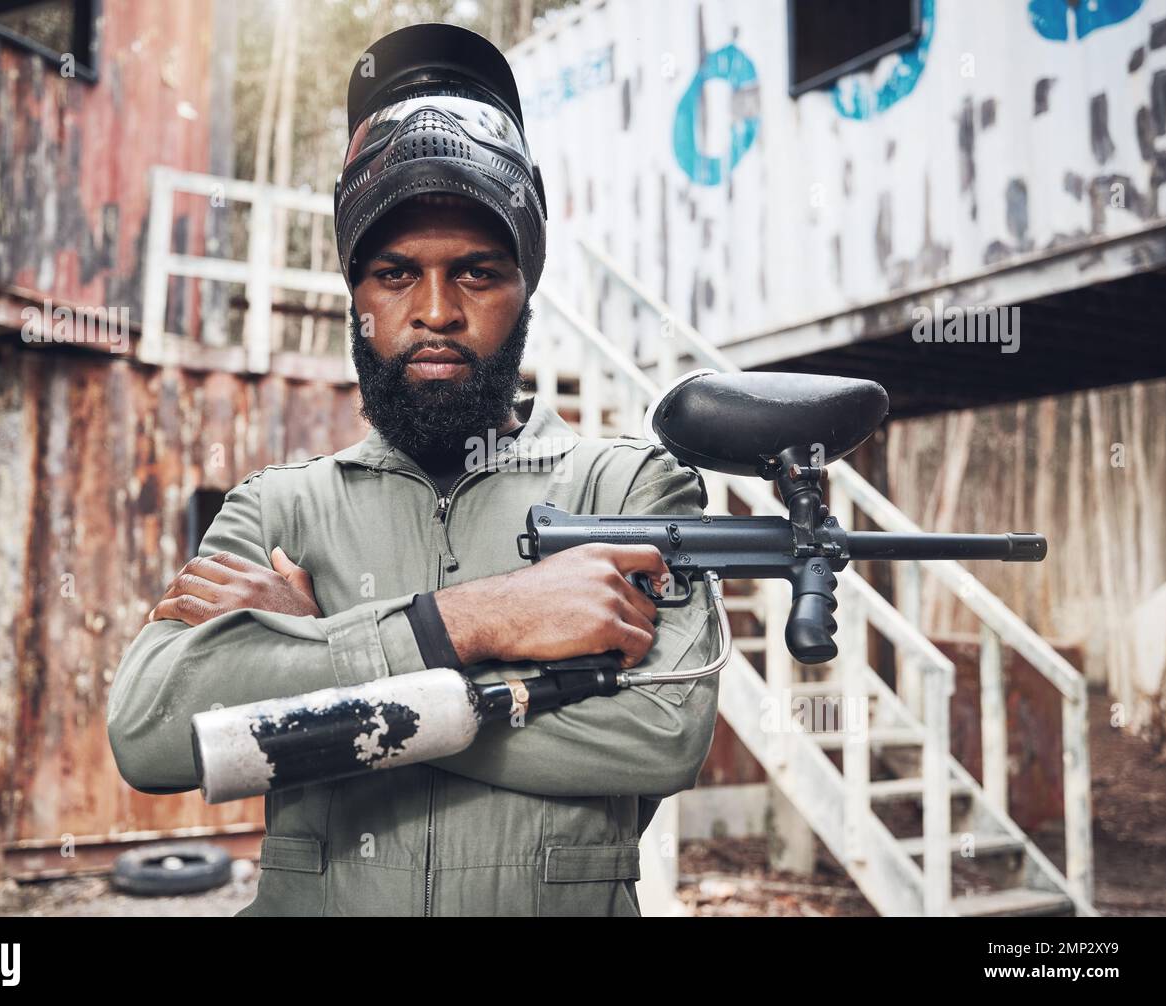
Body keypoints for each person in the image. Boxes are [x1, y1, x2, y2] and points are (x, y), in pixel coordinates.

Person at [107, 21, 720, 917]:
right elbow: (154, 733)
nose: (436, 311)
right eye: (396, 275)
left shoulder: (628, 493)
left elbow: (664, 735)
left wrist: (323, 659)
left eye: (476, 273)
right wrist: (479, 619)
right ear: (355, 296)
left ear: (525, 289)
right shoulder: (277, 511)